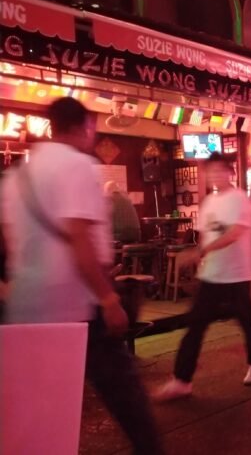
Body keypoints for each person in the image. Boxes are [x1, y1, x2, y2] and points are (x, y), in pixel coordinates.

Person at [0, 97, 163, 454]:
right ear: (84, 127)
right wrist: (107, 298)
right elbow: (79, 237)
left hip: (27, 308)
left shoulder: (17, 176)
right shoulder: (77, 166)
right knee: (125, 397)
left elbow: (10, 244)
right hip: (76, 306)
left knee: (39, 411)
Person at [155, 153, 251, 401]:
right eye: (211, 171)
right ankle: (182, 380)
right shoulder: (208, 202)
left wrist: (202, 252)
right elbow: (205, 236)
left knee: (247, 322)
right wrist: (200, 259)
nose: (215, 175)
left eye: (220, 170)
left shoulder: (240, 200)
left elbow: (235, 233)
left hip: (238, 274)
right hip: (212, 275)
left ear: (230, 173)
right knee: (195, 325)